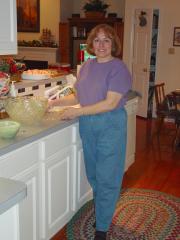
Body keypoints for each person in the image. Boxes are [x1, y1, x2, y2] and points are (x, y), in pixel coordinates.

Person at [49, 24, 132, 240]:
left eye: (107, 40)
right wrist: (52, 103)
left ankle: (102, 228)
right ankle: (103, 214)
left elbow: (111, 103)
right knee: (94, 175)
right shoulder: (86, 66)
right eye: (97, 40)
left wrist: (77, 113)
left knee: (108, 177)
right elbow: (78, 96)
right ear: (91, 44)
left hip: (110, 125)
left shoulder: (119, 68)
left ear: (113, 43)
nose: (102, 45)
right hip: (88, 126)